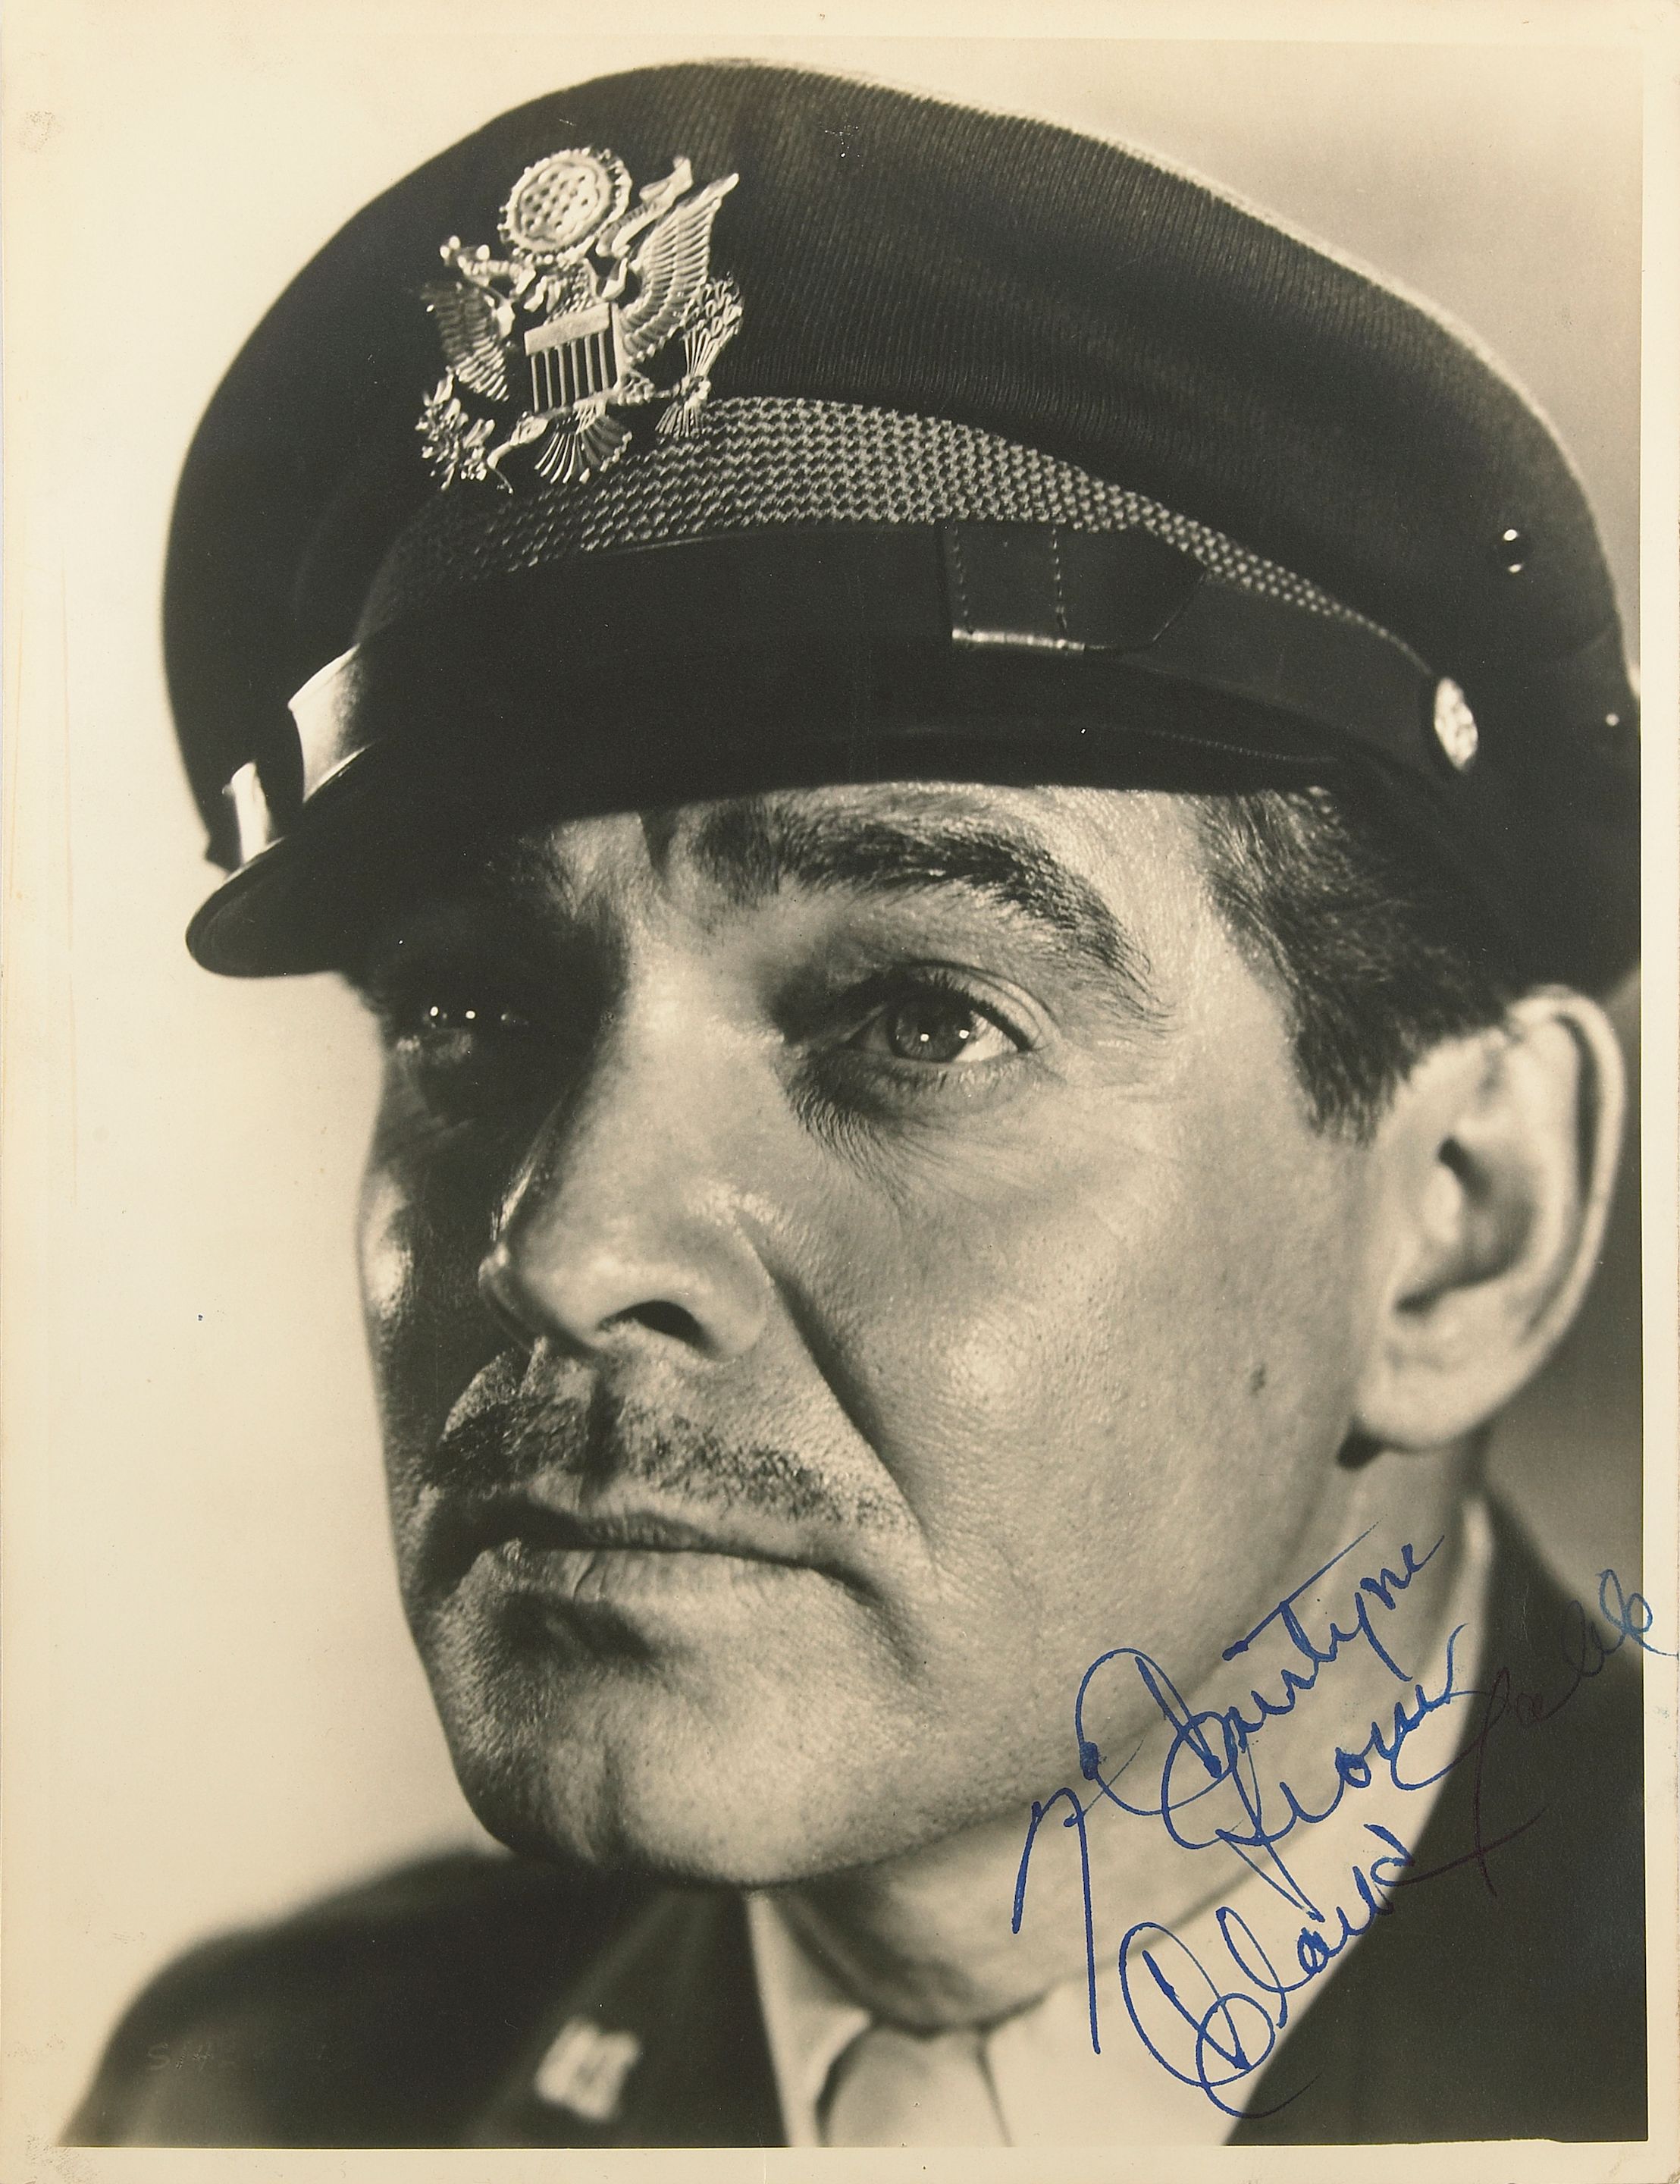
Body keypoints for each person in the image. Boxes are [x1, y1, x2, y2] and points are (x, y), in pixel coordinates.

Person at [67, 59, 1646, 2148]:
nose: (567, 1246)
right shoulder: (265, 2110)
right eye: (474, 1013)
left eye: (914, 1023)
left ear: (1464, 1219)